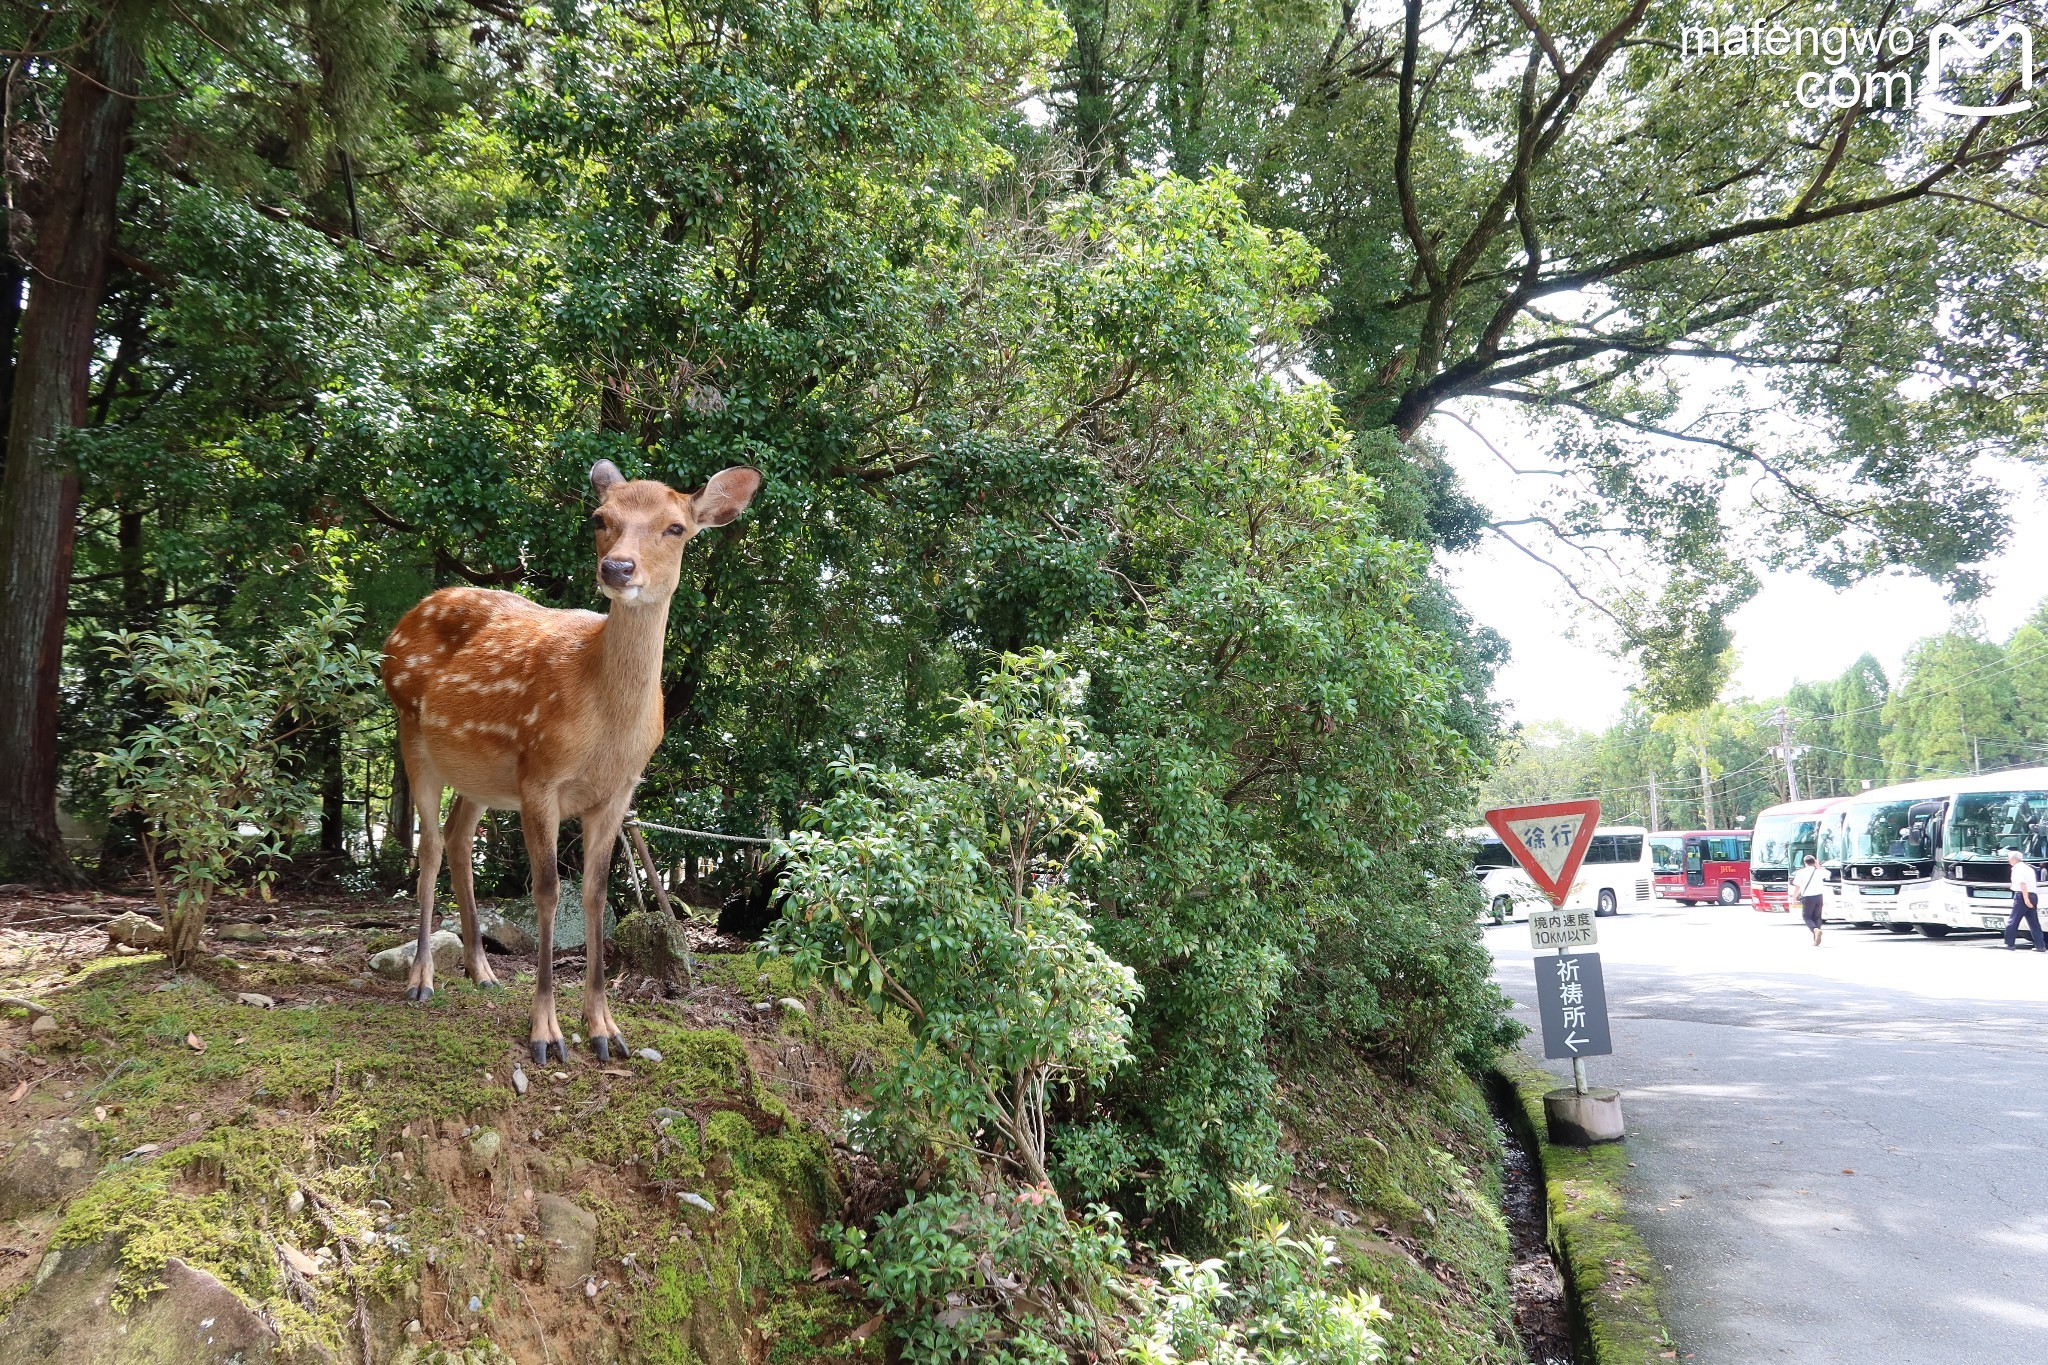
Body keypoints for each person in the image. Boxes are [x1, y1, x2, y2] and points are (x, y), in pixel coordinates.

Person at [2005, 850, 2045, 952]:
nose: (2008, 861)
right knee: (2033, 922)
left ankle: (2009, 944)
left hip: (2022, 895)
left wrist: (2026, 899)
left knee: (2013, 920)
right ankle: (2040, 945)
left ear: (2013, 859)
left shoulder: (2017, 868)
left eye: (2009, 859)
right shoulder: (2028, 867)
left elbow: (2022, 884)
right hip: (2033, 895)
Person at [1791, 854, 1827, 946]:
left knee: (1806, 917)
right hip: (1819, 897)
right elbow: (1828, 874)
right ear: (1814, 861)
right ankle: (1816, 939)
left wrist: (1794, 899)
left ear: (1804, 863)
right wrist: (1818, 866)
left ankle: (1815, 930)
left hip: (1808, 897)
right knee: (1817, 917)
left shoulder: (1800, 872)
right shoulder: (1819, 871)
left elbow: (1797, 887)